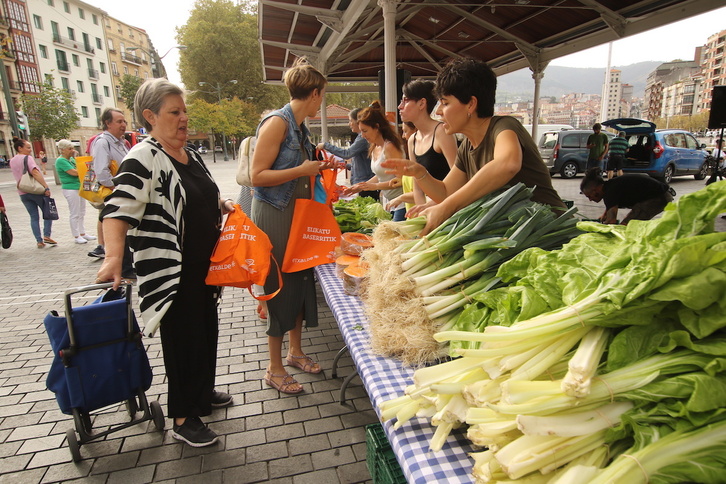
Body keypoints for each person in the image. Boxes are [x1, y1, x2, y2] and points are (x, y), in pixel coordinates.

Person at [96, 78, 234, 447]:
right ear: (150, 116)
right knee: (183, 341)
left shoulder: (191, 154)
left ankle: (202, 394)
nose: (184, 118)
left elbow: (202, 194)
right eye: (175, 112)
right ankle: (183, 417)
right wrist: (113, 258)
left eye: (184, 110)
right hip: (172, 271)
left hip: (205, 268)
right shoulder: (143, 157)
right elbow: (116, 209)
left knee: (205, 333)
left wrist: (222, 206)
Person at [382, 58, 565, 235]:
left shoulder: (504, 127)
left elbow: (507, 164)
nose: (438, 111)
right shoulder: (466, 147)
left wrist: (446, 208)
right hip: (518, 238)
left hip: (553, 233)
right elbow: (445, 192)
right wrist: (420, 172)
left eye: (445, 103)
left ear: (471, 104)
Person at [397, 79, 457, 207]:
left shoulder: (442, 132)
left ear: (421, 103)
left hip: (449, 208)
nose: (400, 106)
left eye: (405, 101)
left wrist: (430, 206)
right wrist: (422, 212)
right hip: (430, 210)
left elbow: (458, 177)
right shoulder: (412, 140)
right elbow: (417, 187)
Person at [343, 101, 406, 221]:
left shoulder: (390, 147)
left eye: (365, 131)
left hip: (402, 203)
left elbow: (401, 180)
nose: (362, 135)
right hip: (390, 203)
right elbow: (380, 175)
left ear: (376, 127)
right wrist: (361, 186)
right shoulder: (374, 147)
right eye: (361, 131)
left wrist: (373, 186)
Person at [87, 108, 128, 261]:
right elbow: (102, 172)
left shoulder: (122, 143)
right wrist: (117, 189)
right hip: (115, 192)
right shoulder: (103, 142)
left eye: (124, 121)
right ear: (107, 123)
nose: (123, 124)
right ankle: (118, 262)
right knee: (115, 226)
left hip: (123, 192)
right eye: (119, 121)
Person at [316, 108, 378, 200]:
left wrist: (326, 145)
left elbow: (347, 153)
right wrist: (346, 166)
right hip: (363, 183)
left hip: (365, 183)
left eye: (350, 121)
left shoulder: (362, 138)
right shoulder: (360, 137)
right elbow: (360, 162)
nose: (349, 124)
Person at [580, 167, 674, 225]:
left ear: (596, 189)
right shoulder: (609, 187)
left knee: (627, 225)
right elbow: (611, 206)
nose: (590, 200)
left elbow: (611, 221)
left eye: (589, 196)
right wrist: (604, 216)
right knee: (629, 221)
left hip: (659, 197)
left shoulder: (610, 192)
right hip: (658, 195)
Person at [9, 137, 55, 248]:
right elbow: (35, 172)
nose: (30, 150)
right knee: (47, 212)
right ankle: (46, 235)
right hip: (35, 190)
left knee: (33, 217)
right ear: (20, 148)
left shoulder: (12, 160)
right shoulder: (27, 158)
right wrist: (46, 187)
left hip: (23, 191)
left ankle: (39, 241)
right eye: (28, 147)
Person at [55, 139, 96, 244]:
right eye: (70, 149)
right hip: (70, 188)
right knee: (75, 212)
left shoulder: (72, 159)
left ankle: (83, 233)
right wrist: (84, 170)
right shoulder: (61, 161)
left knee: (82, 211)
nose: (72, 150)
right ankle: (76, 235)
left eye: (72, 148)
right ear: (62, 150)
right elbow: (74, 172)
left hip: (79, 187)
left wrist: (77, 158)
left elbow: (81, 166)